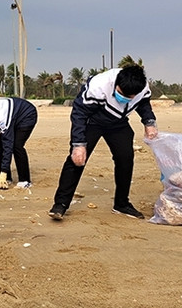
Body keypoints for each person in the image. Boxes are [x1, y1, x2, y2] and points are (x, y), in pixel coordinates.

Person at [49, 65, 158, 221]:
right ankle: (60, 204)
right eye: (121, 94)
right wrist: (78, 144)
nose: (124, 98)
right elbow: (79, 113)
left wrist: (149, 122)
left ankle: (121, 203)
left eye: (130, 96)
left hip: (118, 122)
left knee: (125, 158)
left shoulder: (141, 88)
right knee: (77, 160)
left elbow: (143, 104)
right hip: (92, 120)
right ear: (116, 84)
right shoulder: (99, 86)